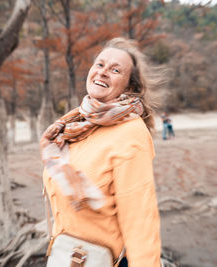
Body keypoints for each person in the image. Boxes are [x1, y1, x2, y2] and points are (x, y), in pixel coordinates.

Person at [40, 37, 163, 267]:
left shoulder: (131, 133)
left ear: (129, 87)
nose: (103, 72)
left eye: (115, 70)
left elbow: (140, 222)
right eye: (99, 64)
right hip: (64, 257)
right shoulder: (76, 124)